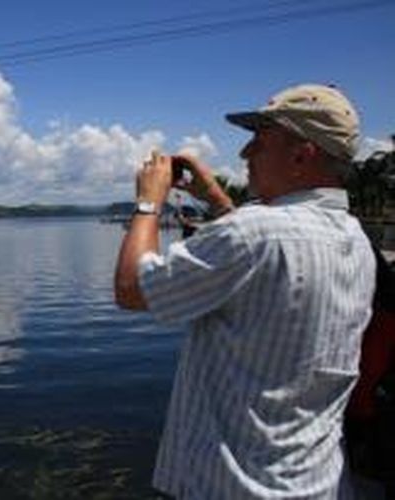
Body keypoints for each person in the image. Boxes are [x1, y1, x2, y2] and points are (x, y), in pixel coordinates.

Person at [114, 84, 376, 498]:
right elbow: (265, 251)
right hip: (316, 483)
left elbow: (131, 288)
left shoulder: (256, 233)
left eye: (259, 140)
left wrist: (148, 203)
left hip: (233, 486)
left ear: (300, 156)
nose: (244, 154)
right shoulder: (356, 240)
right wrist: (216, 198)